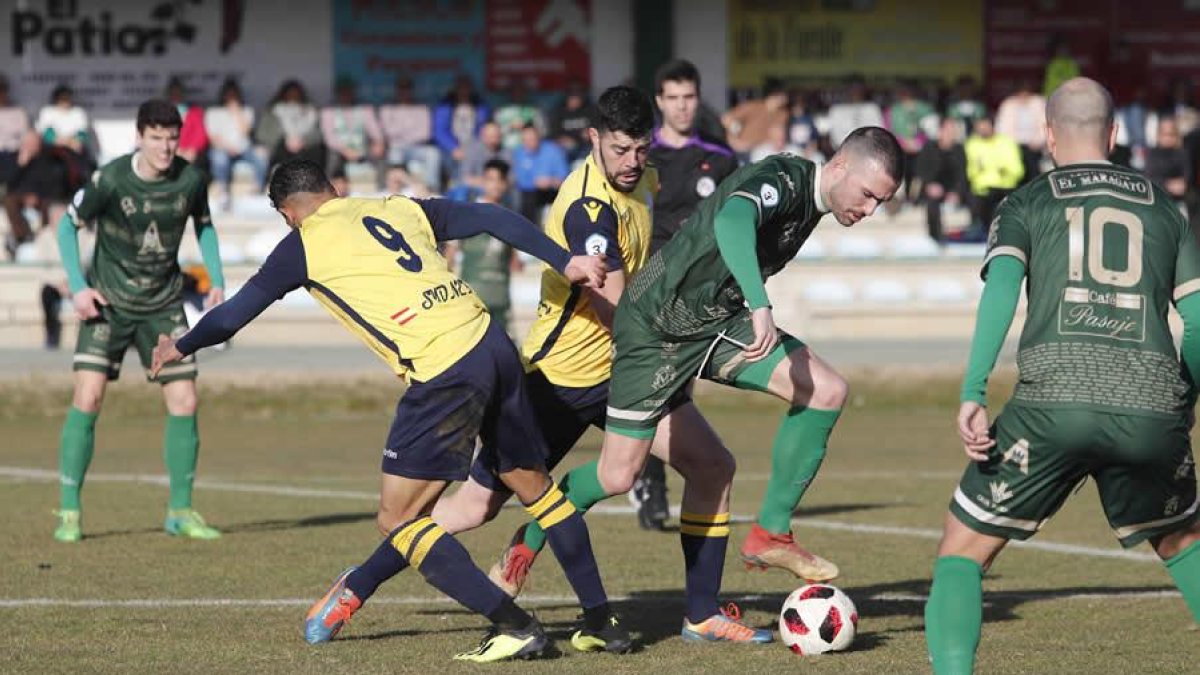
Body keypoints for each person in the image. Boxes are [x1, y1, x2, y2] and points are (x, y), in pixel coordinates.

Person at [151, 159, 626, 662]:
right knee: (537, 490)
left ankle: (515, 626)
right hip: (491, 342)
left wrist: (180, 346)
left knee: (398, 520)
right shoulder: (395, 207)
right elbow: (490, 216)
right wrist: (565, 260)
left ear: (286, 213)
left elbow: (230, 316)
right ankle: (601, 621)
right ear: (332, 188)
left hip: (445, 368)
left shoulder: (302, 245)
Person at [496, 128, 903, 601]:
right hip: (655, 328)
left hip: (711, 323)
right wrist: (760, 304)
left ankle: (768, 537)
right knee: (616, 475)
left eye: (882, 202)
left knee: (824, 391)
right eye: (869, 195)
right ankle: (526, 543)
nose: (871, 210)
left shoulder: (814, 206)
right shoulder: (785, 177)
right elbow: (733, 219)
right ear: (839, 167)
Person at [440, 85, 767, 644]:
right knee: (474, 506)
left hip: (627, 370)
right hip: (560, 379)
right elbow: (617, 311)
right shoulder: (588, 209)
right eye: (619, 150)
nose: (631, 163)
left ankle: (701, 612)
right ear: (593, 138)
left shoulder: (647, 174)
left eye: (641, 149)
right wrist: (695, 337)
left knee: (710, 466)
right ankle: (359, 580)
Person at [924, 77, 1200, 674]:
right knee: (1182, 543)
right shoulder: (1165, 208)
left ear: (1048, 135)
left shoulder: (1026, 202)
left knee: (962, 551)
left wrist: (973, 392)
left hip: (1054, 400)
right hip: (1150, 403)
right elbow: (1199, 322)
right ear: (1115, 133)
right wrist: (1184, 397)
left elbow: (1000, 294)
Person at [52, 99, 226, 543]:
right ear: (139, 137)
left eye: (172, 138)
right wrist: (77, 285)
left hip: (164, 304)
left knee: (185, 401)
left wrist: (216, 281)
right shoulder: (109, 178)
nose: (166, 148)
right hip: (108, 303)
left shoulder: (190, 179)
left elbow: (204, 226)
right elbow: (67, 227)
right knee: (88, 398)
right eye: (156, 138)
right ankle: (69, 511)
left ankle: (180, 511)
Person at [642, 58, 739, 531]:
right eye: (673, 97)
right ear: (660, 101)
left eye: (689, 97)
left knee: (678, 389)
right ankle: (650, 485)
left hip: (697, 293)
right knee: (649, 386)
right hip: (647, 289)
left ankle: (671, 482)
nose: (682, 106)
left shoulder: (718, 159)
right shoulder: (641, 158)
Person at [441, 159, 520, 333]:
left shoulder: (510, 217)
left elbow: (514, 262)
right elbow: (451, 254)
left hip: (500, 297)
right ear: (483, 181)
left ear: (506, 184)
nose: (496, 185)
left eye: (500, 180)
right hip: (472, 296)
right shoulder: (467, 213)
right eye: (491, 179)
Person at [205, 78, 266, 206]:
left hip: (243, 149)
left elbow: (245, 131)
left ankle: (258, 190)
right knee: (219, 158)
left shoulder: (246, 110)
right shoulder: (213, 112)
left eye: (234, 94)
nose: (231, 97)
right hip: (222, 148)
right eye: (228, 94)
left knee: (261, 156)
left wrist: (236, 112)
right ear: (223, 95)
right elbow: (213, 138)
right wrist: (228, 147)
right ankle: (223, 192)